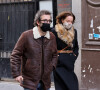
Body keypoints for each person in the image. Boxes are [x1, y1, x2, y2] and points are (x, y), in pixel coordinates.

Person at [10, 10, 58, 90]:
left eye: (49, 21)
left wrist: (51, 66)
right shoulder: (26, 35)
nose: (48, 22)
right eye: (45, 20)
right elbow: (15, 55)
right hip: (29, 80)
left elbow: (55, 54)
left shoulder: (51, 37)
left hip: (45, 81)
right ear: (38, 22)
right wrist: (16, 74)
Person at [52, 11, 79, 90]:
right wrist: (56, 57)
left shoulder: (74, 31)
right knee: (61, 85)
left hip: (70, 61)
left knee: (72, 84)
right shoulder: (54, 31)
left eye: (71, 21)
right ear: (62, 20)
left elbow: (76, 46)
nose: (70, 23)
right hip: (59, 62)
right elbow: (50, 47)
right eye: (68, 21)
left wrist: (74, 55)